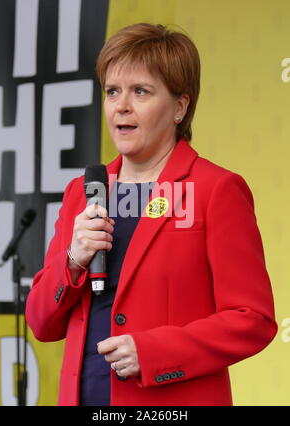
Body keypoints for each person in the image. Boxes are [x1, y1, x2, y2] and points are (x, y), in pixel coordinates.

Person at [26, 23, 277, 406]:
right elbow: (42, 324)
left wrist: (154, 351)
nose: (121, 106)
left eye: (140, 91)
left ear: (180, 107)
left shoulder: (215, 190)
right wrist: (73, 260)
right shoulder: (84, 192)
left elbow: (252, 319)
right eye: (112, 92)